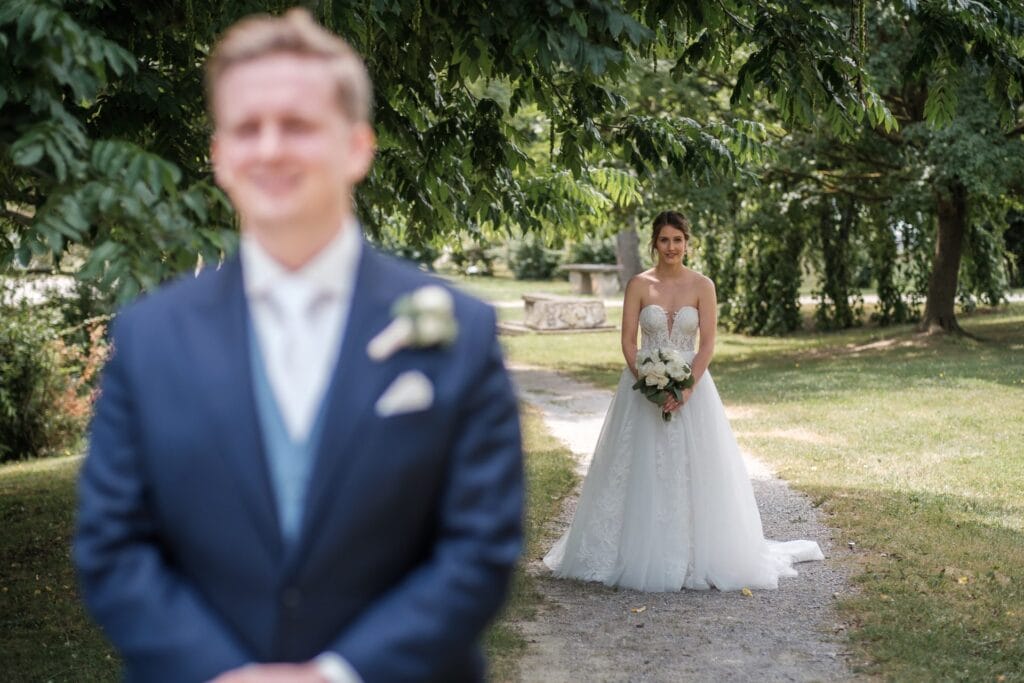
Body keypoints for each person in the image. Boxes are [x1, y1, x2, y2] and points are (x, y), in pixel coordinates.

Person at [73, 9, 523, 683]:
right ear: (221, 156)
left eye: (299, 124)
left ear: (357, 147)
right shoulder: (148, 335)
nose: (271, 147)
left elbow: (480, 546)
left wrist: (339, 675)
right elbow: (112, 546)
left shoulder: (460, 329)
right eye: (247, 128)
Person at [543, 211, 822, 592]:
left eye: (678, 240)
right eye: (664, 240)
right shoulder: (639, 285)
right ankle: (629, 550)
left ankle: (697, 553)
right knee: (637, 467)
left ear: (687, 243)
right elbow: (628, 341)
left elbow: (706, 344)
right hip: (643, 389)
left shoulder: (702, 285)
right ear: (654, 244)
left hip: (694, 387)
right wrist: (648, 382)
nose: (671, 247)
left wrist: (687, 387)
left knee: (696, 468)